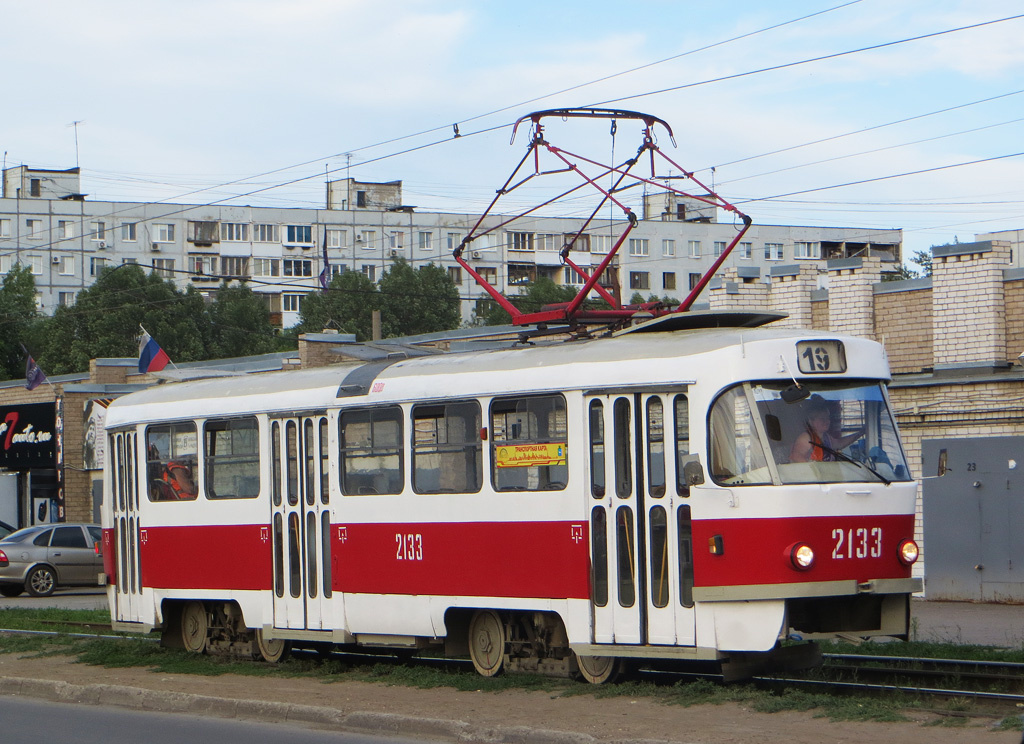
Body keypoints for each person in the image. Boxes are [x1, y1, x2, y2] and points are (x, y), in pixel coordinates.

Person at [790, 398, 864, 463]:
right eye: (822, 419)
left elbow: (839, 444)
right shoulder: (806, 438)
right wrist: (814, 470)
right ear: (811, 421)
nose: (827, 421)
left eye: (828, 418)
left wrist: (860, 433)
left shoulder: (826, 437)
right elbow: (796, 457)